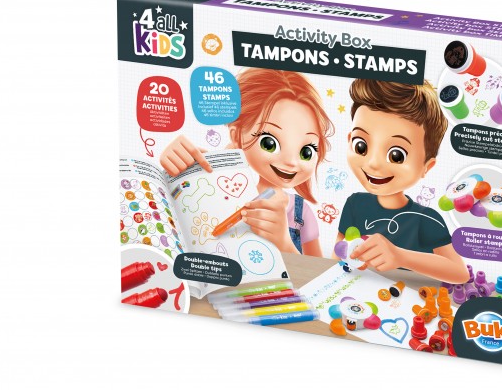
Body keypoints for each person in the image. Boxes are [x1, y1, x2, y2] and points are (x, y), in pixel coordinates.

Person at [160, 69, 333, 256]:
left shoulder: (301, 213)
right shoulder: (218, 190)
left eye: (306, 152)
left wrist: (285, 244)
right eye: (269, 143)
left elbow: (318, 272)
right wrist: (172, 172)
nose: (291, 162)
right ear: (237, 136)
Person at [335, 78, 469, 283]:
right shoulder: (355, 204)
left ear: (426, 166)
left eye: (396, 155)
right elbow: (338, 254)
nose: (373, 163)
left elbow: (460, 273)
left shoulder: (426, 219)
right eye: (361, 146)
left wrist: (400, 256)